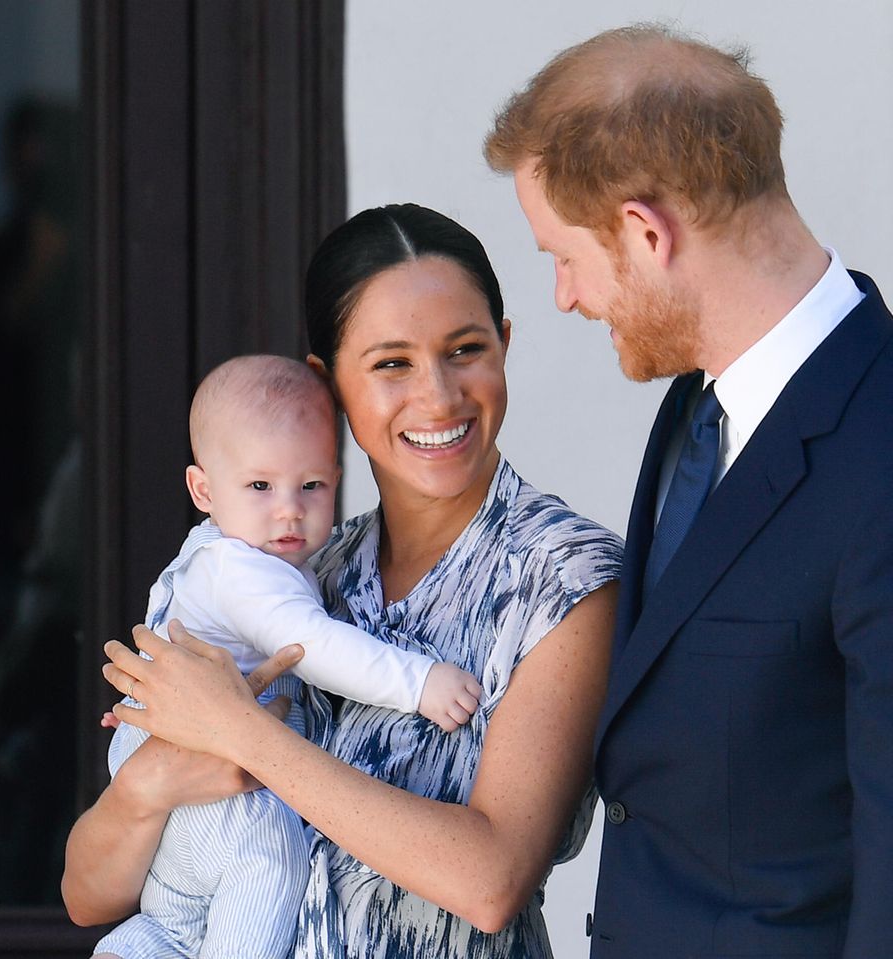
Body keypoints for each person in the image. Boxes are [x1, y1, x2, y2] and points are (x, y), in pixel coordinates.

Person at [63, 203, 622, 959]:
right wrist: (144, 786)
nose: (438, 395)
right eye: (391, 362)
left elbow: (492, 880)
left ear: (504, 346)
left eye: (465, 349)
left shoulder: (564, 579)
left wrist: (241, 731)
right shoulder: (300, 573)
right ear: (330, 387)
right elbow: (87, 894)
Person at [484, 23, 893, 959]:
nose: (564, 296)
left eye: (564, 255)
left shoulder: (882, 444)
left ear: (643, 231)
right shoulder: (692, 409)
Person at [93, 353, 482, 959]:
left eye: (312, 485)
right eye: (260, 486)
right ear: (203, 489)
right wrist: (421, 681)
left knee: (179, 918)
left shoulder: (221, 552)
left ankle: (141, 945)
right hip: (205, 769)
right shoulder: (245, 573)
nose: (289, 509)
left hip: (183, 770)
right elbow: (318, 647)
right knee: (269, 857)